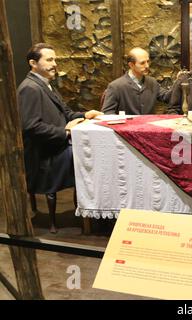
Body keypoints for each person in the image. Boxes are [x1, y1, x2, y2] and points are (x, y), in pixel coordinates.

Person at [18, 43, 102, 233]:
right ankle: (87, 213)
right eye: (49, 60)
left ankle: (91, 209)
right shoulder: (30, 88)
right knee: (85, 156)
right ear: (33, 63)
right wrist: (65, 132)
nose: (55, 64)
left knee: (87, 152)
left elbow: (66, 113)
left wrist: (84, 115)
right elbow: (30, 126)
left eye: (55, 59)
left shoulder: (45, 84)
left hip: (54, 146)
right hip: (43, 155)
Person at [102, 47, 171, 115]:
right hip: (127, 125)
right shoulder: (115, 86)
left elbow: (167, 97)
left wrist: (179, 81)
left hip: (149, 125)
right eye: (142, 63)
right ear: (131, 65)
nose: (147, 66)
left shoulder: (152, 82)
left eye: (148, 61)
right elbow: (108, 113)